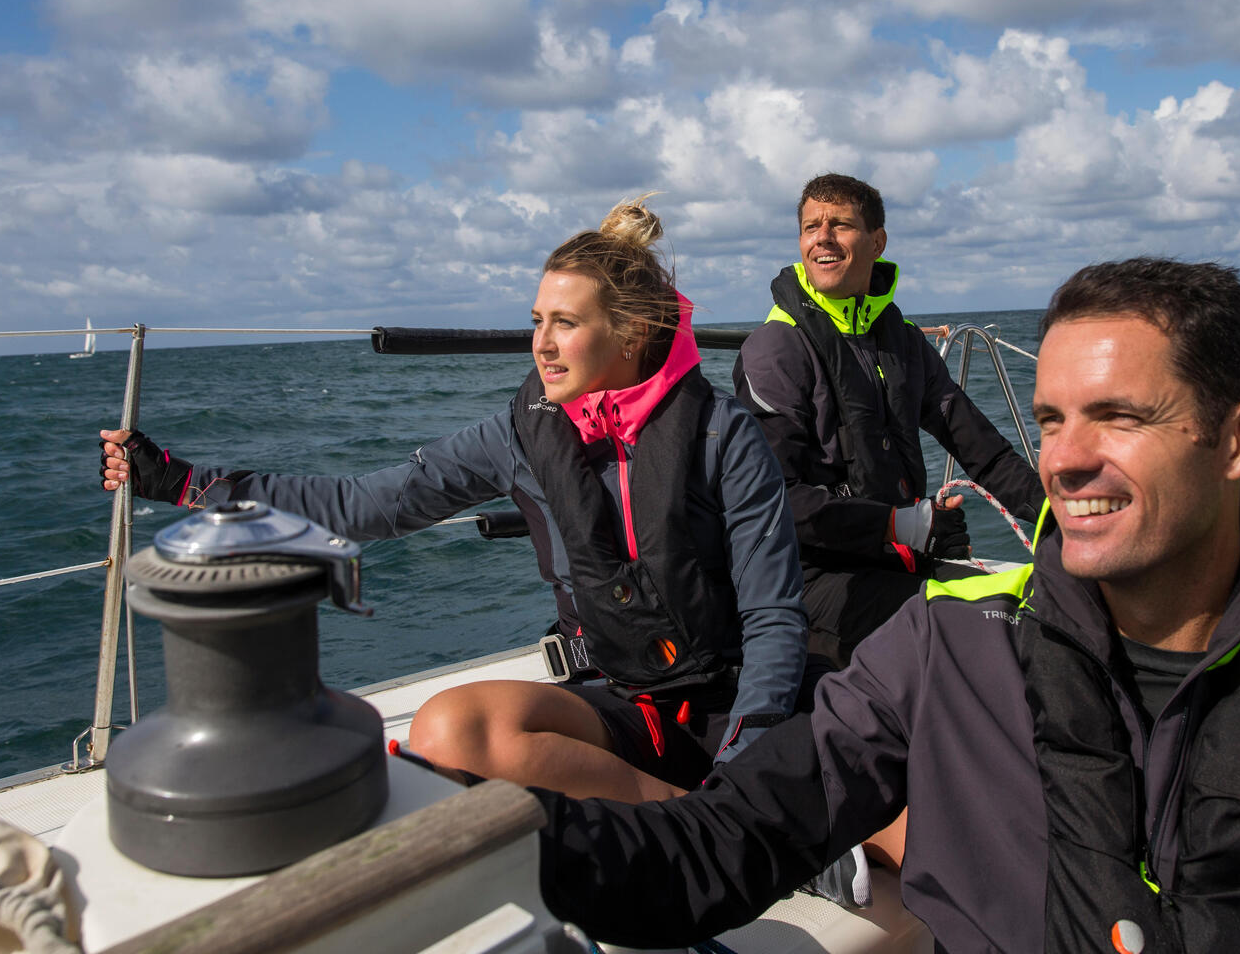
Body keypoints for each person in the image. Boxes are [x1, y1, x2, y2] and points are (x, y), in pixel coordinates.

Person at [532, 257, 1240, 951]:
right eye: (1048, 420)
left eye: (1117, 416)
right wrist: (529, 849)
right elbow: (740, 837)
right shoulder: (946, 652)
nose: (1065, 460)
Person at [99, 199, 807, 804]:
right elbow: (360, 507)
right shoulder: (519, 435)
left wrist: (747, 760)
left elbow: (773, 616)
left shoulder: (720, 432)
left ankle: (729, 806)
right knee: (449, 730)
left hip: (731, 704)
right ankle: (687, 814)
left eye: (566, 323)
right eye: (538, 320)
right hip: (616, 705)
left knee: (883, 802)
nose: (541, 345)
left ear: (632, 332)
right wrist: (185, 482)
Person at [733, 172, 1044, 667]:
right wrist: (905, 524)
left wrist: (1056, 516)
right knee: (984, 633)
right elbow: (777, 500)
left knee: (1038, 609)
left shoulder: (900, 341)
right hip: (811, 582)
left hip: (896, 561)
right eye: (811, 226)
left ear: (877, 241)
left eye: (841, 225)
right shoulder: (775, 350)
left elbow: (980, 446)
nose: (823, 238)